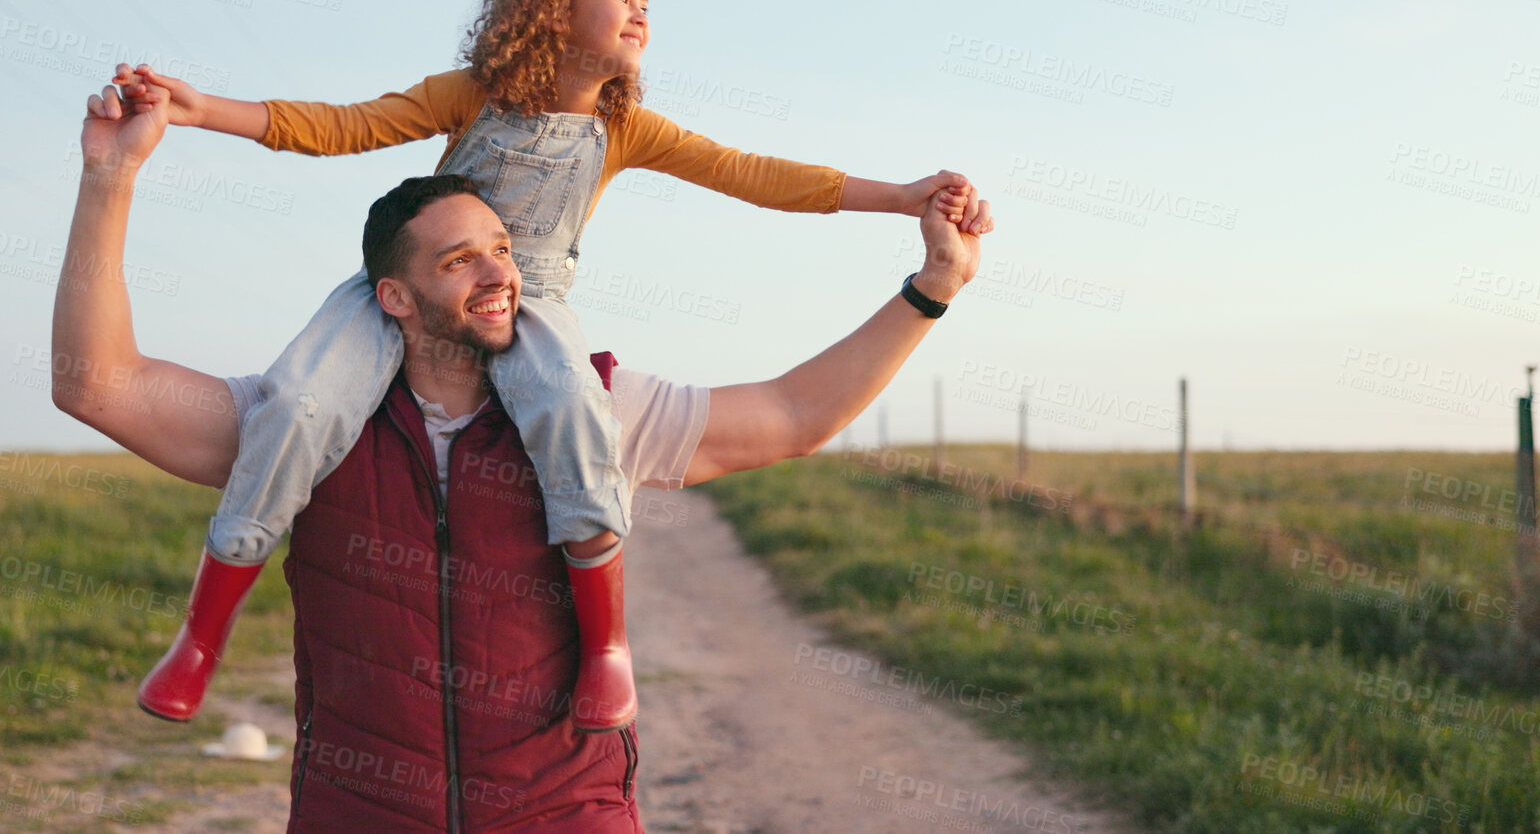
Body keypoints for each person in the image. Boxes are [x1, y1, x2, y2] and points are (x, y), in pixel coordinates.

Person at [109, 0, 994, 731]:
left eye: (648, 3)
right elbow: (343, 126)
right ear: (551, 5)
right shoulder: (470, 95)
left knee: (574, 406)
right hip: (419, 287)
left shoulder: (623, 130)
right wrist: (198, 108)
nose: (641, 15)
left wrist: (904, 194)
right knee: (299, 402)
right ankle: (200, 635)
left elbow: (752, 173)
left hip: (532, 305)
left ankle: (606, 646)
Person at [54, 75, 992, 831]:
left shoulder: (592, 404)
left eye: (501, 247)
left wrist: (931, 288)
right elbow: (96, 383)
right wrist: (111, 178)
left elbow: (792, 413)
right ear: (393, 297)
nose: (500, 271)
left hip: (563, 808)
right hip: (359, 807)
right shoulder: (296, 425)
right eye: (459, 259)